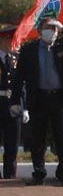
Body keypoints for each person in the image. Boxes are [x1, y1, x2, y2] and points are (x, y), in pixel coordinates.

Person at [15, 13, 63, 185]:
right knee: (37, 138)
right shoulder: (29, 50)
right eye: (48, 28)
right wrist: (17, 102)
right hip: (38, 98)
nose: (52, 32)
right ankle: (38, 173)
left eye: (54, 28)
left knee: (62, 137)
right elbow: (19, 77)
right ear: (39, 30)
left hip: (59, 98)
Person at [0, 37, 18, 178]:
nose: (13, 43)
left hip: (12, 104)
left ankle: (10, 175)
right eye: (10, 39)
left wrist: (24, 107)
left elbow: (21, 83)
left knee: (12, 144)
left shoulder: (15, 59)